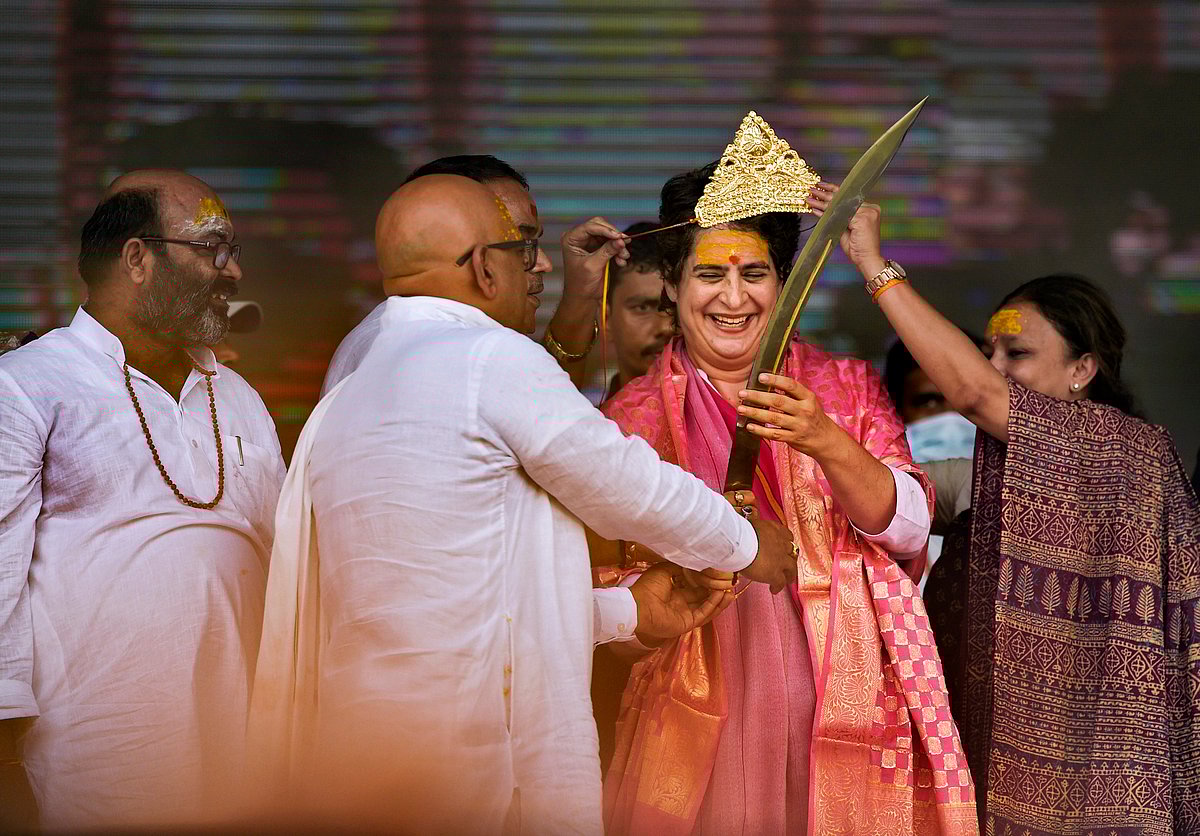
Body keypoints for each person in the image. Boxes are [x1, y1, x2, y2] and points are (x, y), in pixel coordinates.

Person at [248, 174, 799, 834]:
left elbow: (452, 604)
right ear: (485, 267)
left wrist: (629, 612)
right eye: (524, 250)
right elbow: (620, 481)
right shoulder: (486, 355)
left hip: (366, 761)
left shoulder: (349, 391)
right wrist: (744, 541)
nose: (540, 266)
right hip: (475, 762)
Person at [600, 163, 976, 835]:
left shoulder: (844, 385)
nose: (733, 298)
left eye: (755, 274)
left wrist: (826, 439)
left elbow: (909, 530)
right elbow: (609, 600)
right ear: (673, 284)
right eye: (709, 275)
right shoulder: (630, 418)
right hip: (695, 706)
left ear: (785, 284)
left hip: (850, 694)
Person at [827, 185, 1200, 835]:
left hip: (1098, 784)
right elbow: (901, 499)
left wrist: (873, 265)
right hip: (984, 765)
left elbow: (973, 392)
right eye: (990, 354)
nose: (996, 368)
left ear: (1083, 368)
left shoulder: (1128, 451)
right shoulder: (993, 469)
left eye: (1016, 354)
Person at [0, 170, 285, 829]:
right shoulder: (25, 385)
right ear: (137, 258)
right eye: (214, 248)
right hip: (99, 759)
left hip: (248, 751)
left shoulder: (238, 394)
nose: (234, 271)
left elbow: (284, 555)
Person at [321, 154, 630, 396]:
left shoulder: (396, 333)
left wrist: (579, 294)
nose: (544, 264)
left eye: (533, 244)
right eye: (520, 244)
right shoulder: (456, 350)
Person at [602, 221, 675, 401]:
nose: (666, 327)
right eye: (642, 308)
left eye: (675, 307)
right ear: (607, 319)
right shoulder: (583, 417)